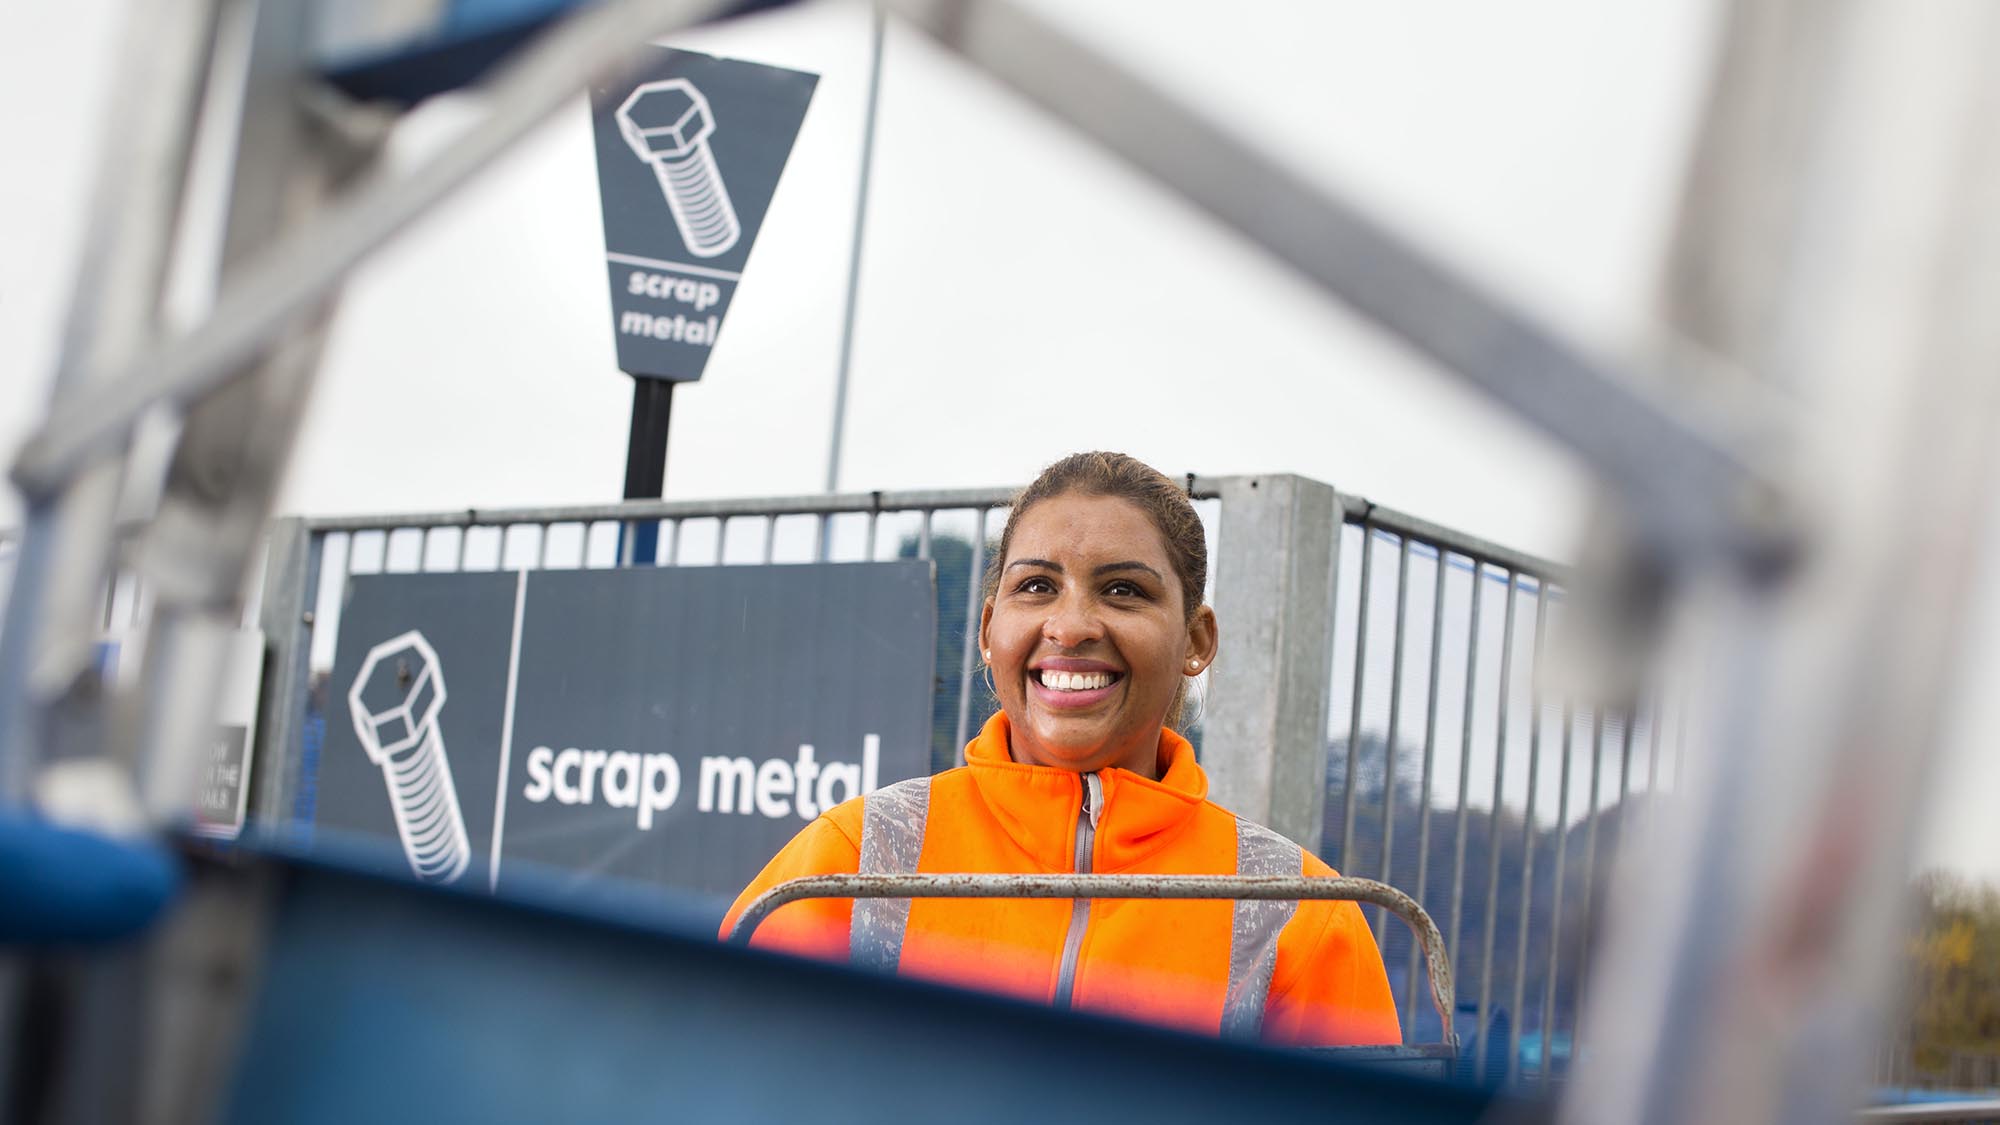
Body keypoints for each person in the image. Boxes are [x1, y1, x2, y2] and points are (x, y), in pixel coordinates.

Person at [721, 452, 1399, 1046]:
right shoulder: (850, 855)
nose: (1071, 626)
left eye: (1124, 590)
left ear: (1196, 640)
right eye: (1037, 586)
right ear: (990, 628)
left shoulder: (1303, 917)